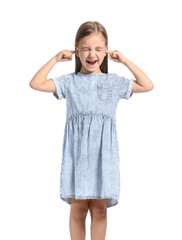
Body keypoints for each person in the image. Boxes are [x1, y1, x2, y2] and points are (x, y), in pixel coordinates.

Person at [29, 21, 154, 240]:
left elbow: (147, 85)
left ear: (106, 51)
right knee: (77, 209)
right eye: (85, 48)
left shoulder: (113, 82)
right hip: (77, 155)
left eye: (98, 48)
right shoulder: (69, 82)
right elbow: (36, 83)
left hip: (103, 156)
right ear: (76, 50)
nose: (91, 54)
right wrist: (56, 58)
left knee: (99, 209)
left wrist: (124, 61)